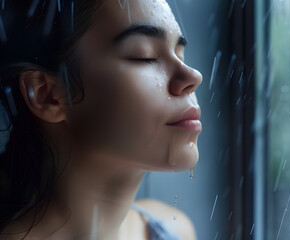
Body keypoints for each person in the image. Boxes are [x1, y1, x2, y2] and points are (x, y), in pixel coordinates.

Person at [0, 0, 202, 239]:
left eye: (180, 54)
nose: (193, 76)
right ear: (47, 95)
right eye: (144, 55)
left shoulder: (176, 229)